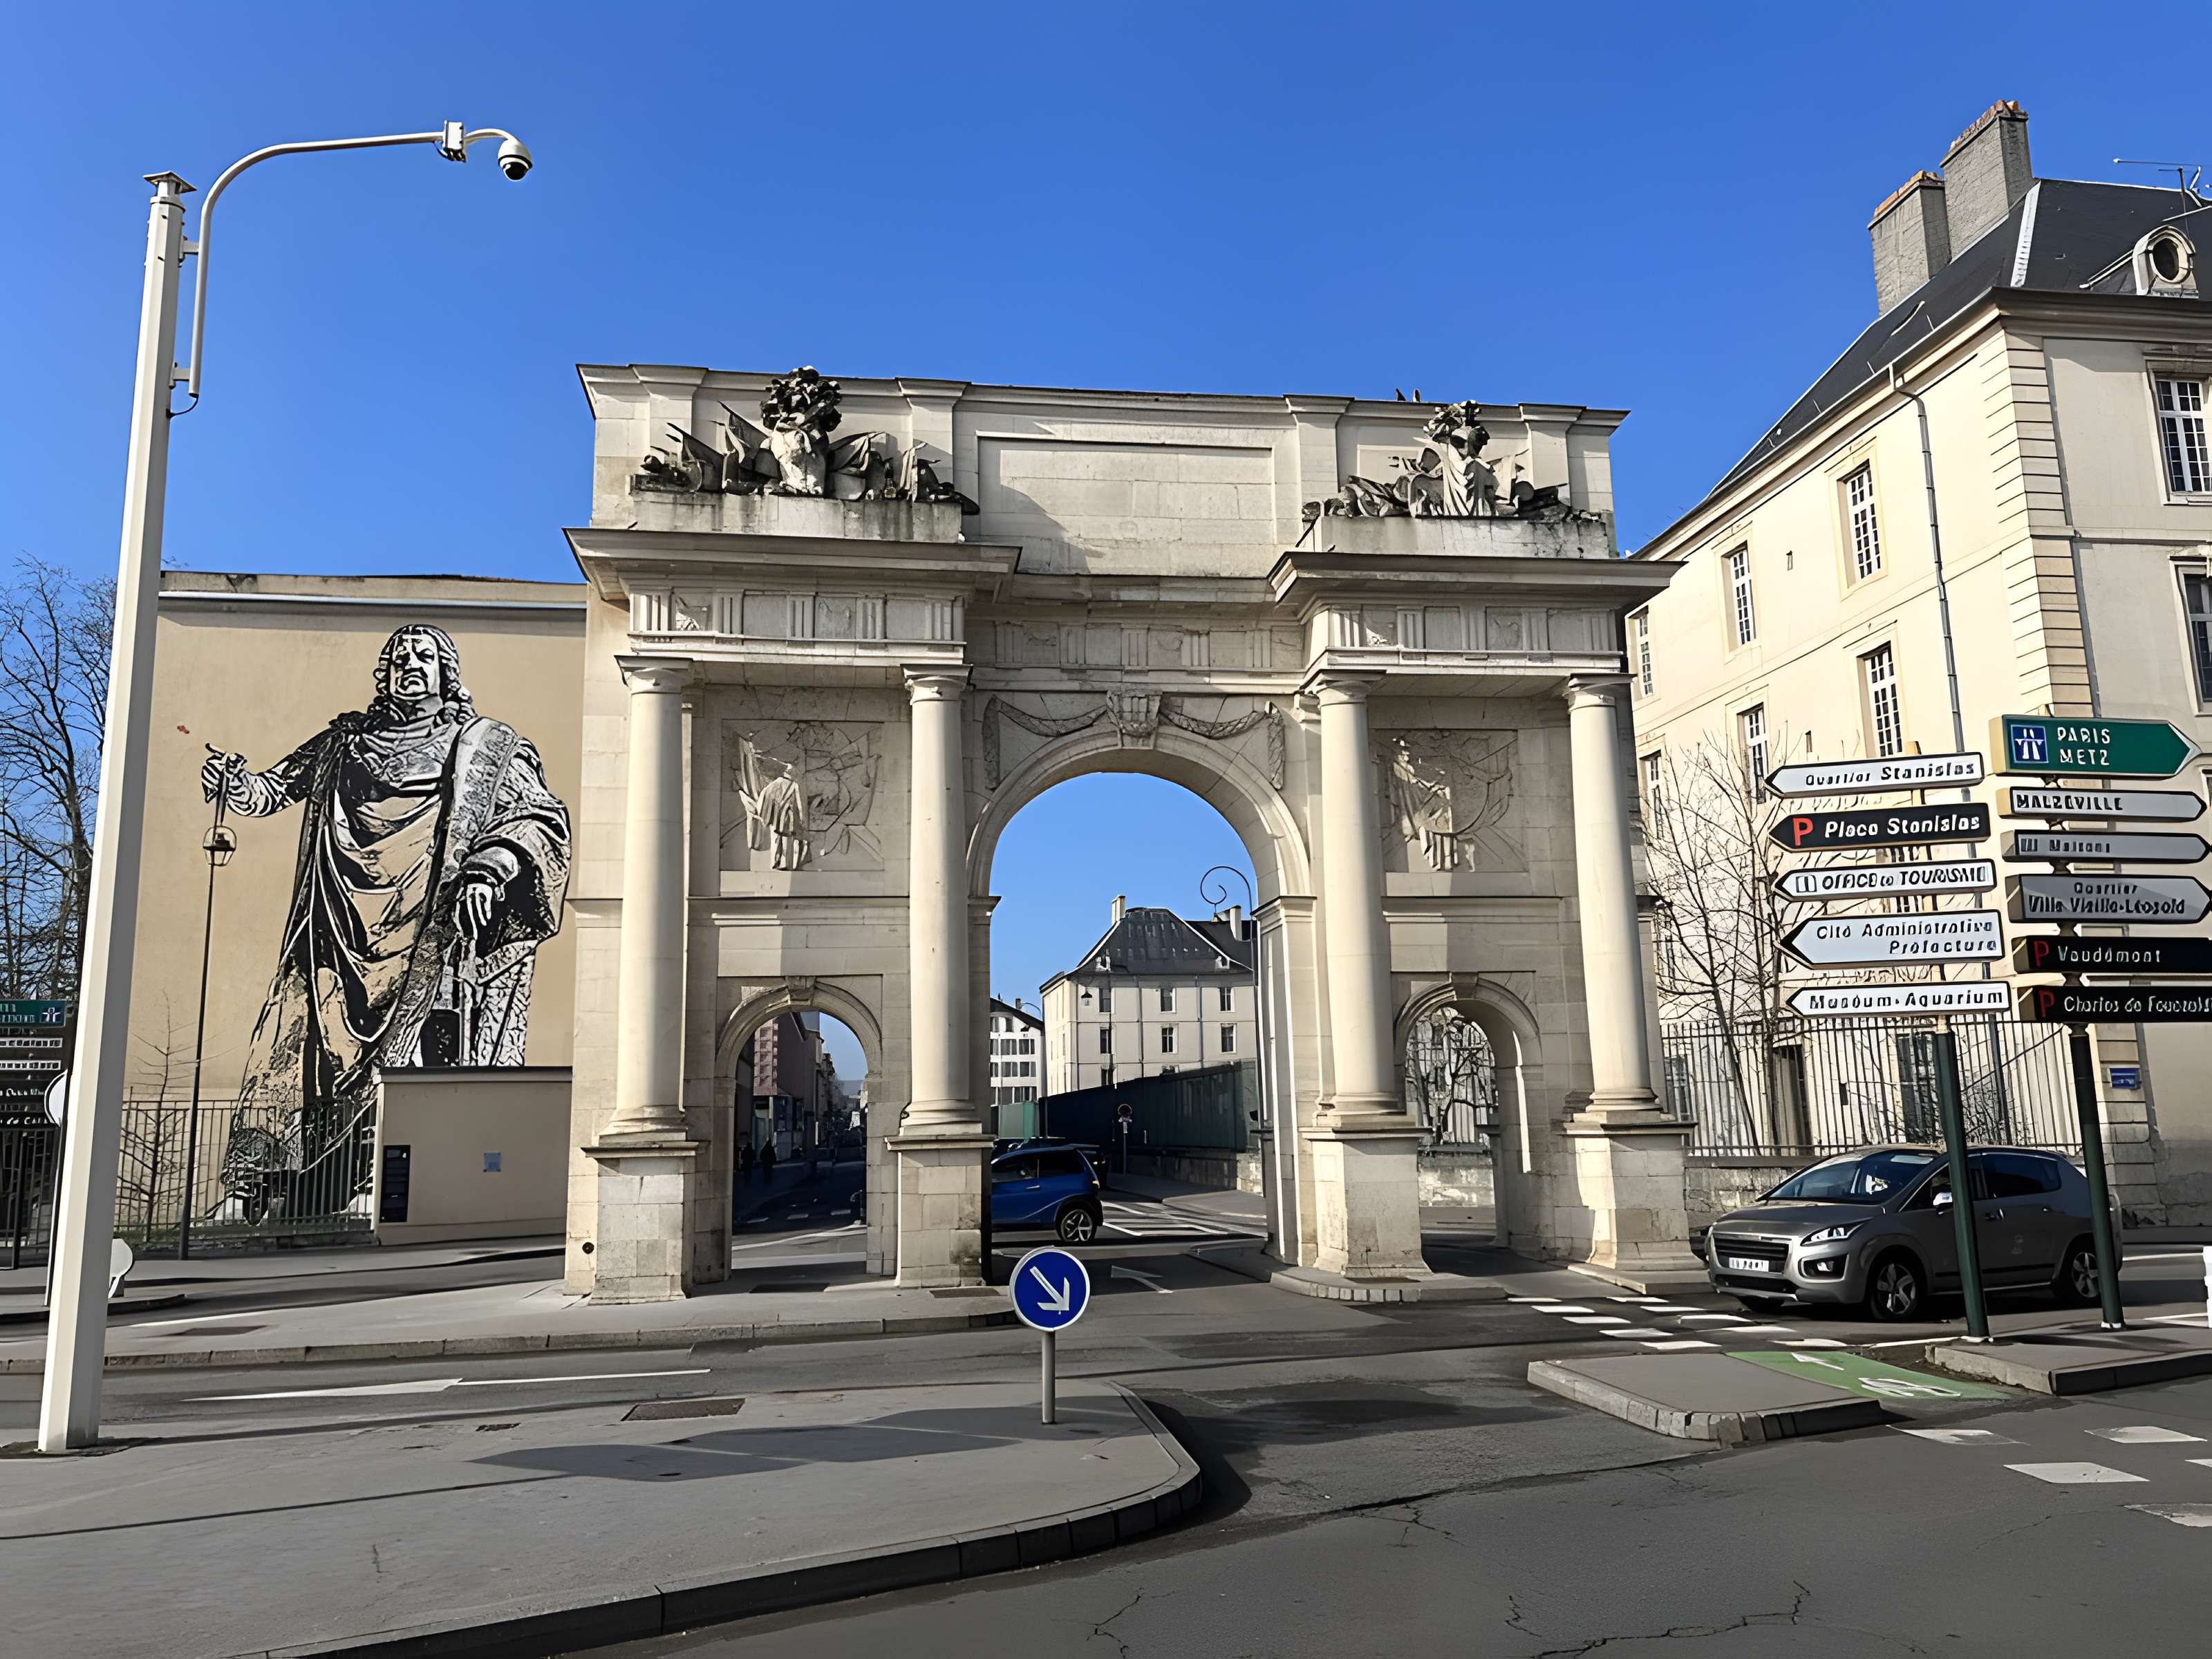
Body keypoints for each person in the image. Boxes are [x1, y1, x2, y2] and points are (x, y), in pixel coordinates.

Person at [203, 624, 570, 1206]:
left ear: (446, 670)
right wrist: (233, 784)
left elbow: (538, 817)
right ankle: (263, 1186)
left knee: (414, 1053)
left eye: (424, 656)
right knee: (298, 1049)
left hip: (429, 927)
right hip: (337, 925)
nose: (410, 665)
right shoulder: (344, 742)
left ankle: (382, 1176)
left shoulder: (484, 746)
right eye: (399, 657)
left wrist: (490, 869)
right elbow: (272, 790)